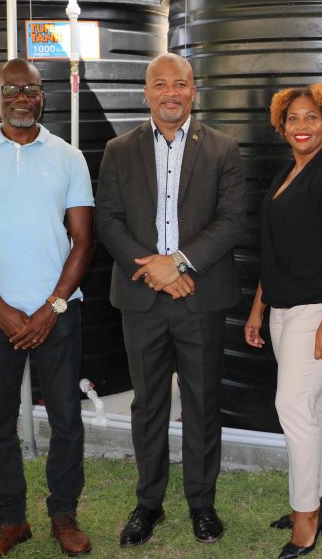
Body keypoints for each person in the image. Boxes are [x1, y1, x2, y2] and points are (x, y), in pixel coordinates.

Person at [95, 53, 245, 548]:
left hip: (200, 297)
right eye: (161, 84)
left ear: (193, 91)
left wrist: (177, 263)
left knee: (203, 403)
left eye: (180, 84)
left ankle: (202, 504)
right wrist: (154, 273)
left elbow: (231, 221)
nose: (171, 93)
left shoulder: (223, 150)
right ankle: (149, 504)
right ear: (146, 92)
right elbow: (109, 222)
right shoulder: (119, 150)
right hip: (142, 299)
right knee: (148, 405)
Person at [0, 58, 94, 559]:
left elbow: (82, 241)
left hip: (59, 313)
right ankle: (11, 520)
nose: (21, 97)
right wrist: (3, 310)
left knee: (67, 419)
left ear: (42, 96)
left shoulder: (69, 157)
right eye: (11, 89)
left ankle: (63, 515)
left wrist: (51, 308)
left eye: (30, 89)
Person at [243, 84, 322, 559]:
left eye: (311, 117)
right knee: (311, 408)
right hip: (283, 308)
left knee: (292, 407)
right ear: (282, 124)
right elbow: (271, 253)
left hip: (321, 308)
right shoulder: (284, 177)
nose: (301, 126)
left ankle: (306, 521)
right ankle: (321, 497)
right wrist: (258, 307)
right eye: (292, 118)